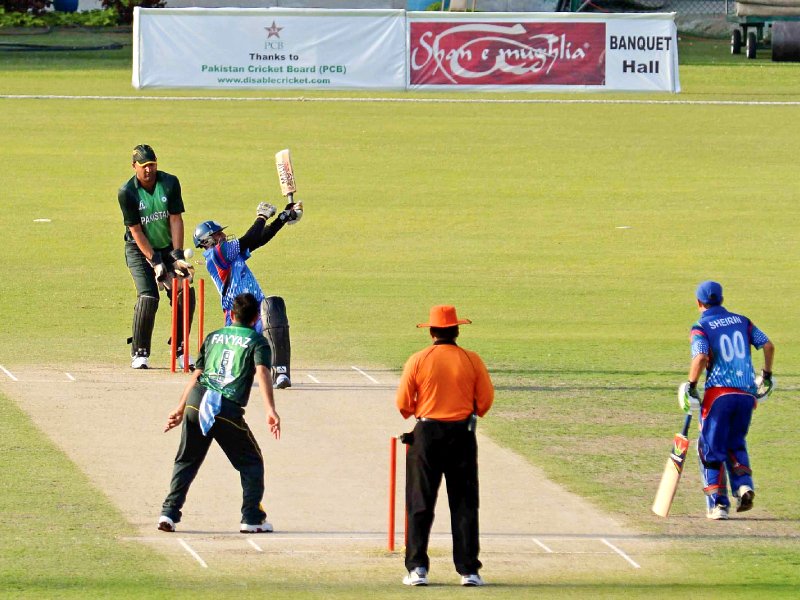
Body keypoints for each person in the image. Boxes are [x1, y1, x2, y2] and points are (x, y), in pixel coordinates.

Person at [157, 292, 281, 534]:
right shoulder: (257, 341)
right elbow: (263, 372)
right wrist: (270, 410)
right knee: (251, 463)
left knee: (187, 461)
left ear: (230, 314)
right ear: (256, 318)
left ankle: (168, 514)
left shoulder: (213, 337)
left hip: (195, 402)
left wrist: (180, 407)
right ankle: (252, 518)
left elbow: (196, 375)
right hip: (225, 408)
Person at [395, 305, 494, 587]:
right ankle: (468, 570)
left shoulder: (419, 359)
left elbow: (403, 403)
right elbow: (485, 400)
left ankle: (417, 568)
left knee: (419, 502)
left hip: (426, 433)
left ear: (432, 332)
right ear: (457, 331)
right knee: (464, 502)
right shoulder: (471, 359)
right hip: (462, 433)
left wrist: (419, 411)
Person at [680, 280, 775, 520]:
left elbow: (701, 357)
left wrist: (690, 386)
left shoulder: (701, 326)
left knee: (709, 448)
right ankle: (743, 485)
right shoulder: (743, 321)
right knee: (735, 442)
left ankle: (718, 505)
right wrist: (766, 375)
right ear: (721, 299)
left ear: (698, 302)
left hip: (719, 396)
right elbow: (768, 345)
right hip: (746, 396)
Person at [192, 200, 302, 389]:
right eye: (218, 234)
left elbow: (259, 239)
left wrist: (283, 218)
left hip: (257, 307)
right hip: (237, 313)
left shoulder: (230, 253)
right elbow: (250, 238)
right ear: (207, 241)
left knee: (274, 310)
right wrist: (262, 217)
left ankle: (281, 373)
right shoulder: (216, 255)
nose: (224, 235)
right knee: (235, 371)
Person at [118, 144, 194, 369]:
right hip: (139, 250)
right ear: (134, 167)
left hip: (167, 247)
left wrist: (177, 255)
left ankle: (180, 350)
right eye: (143, 166)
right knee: (149, 297)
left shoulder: (170, 183)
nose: (148, 170)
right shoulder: (127, 192)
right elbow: (136, 230)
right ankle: (139, 353)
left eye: (151, 165)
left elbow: (175, 219)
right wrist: (155, 262)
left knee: (185, 294)